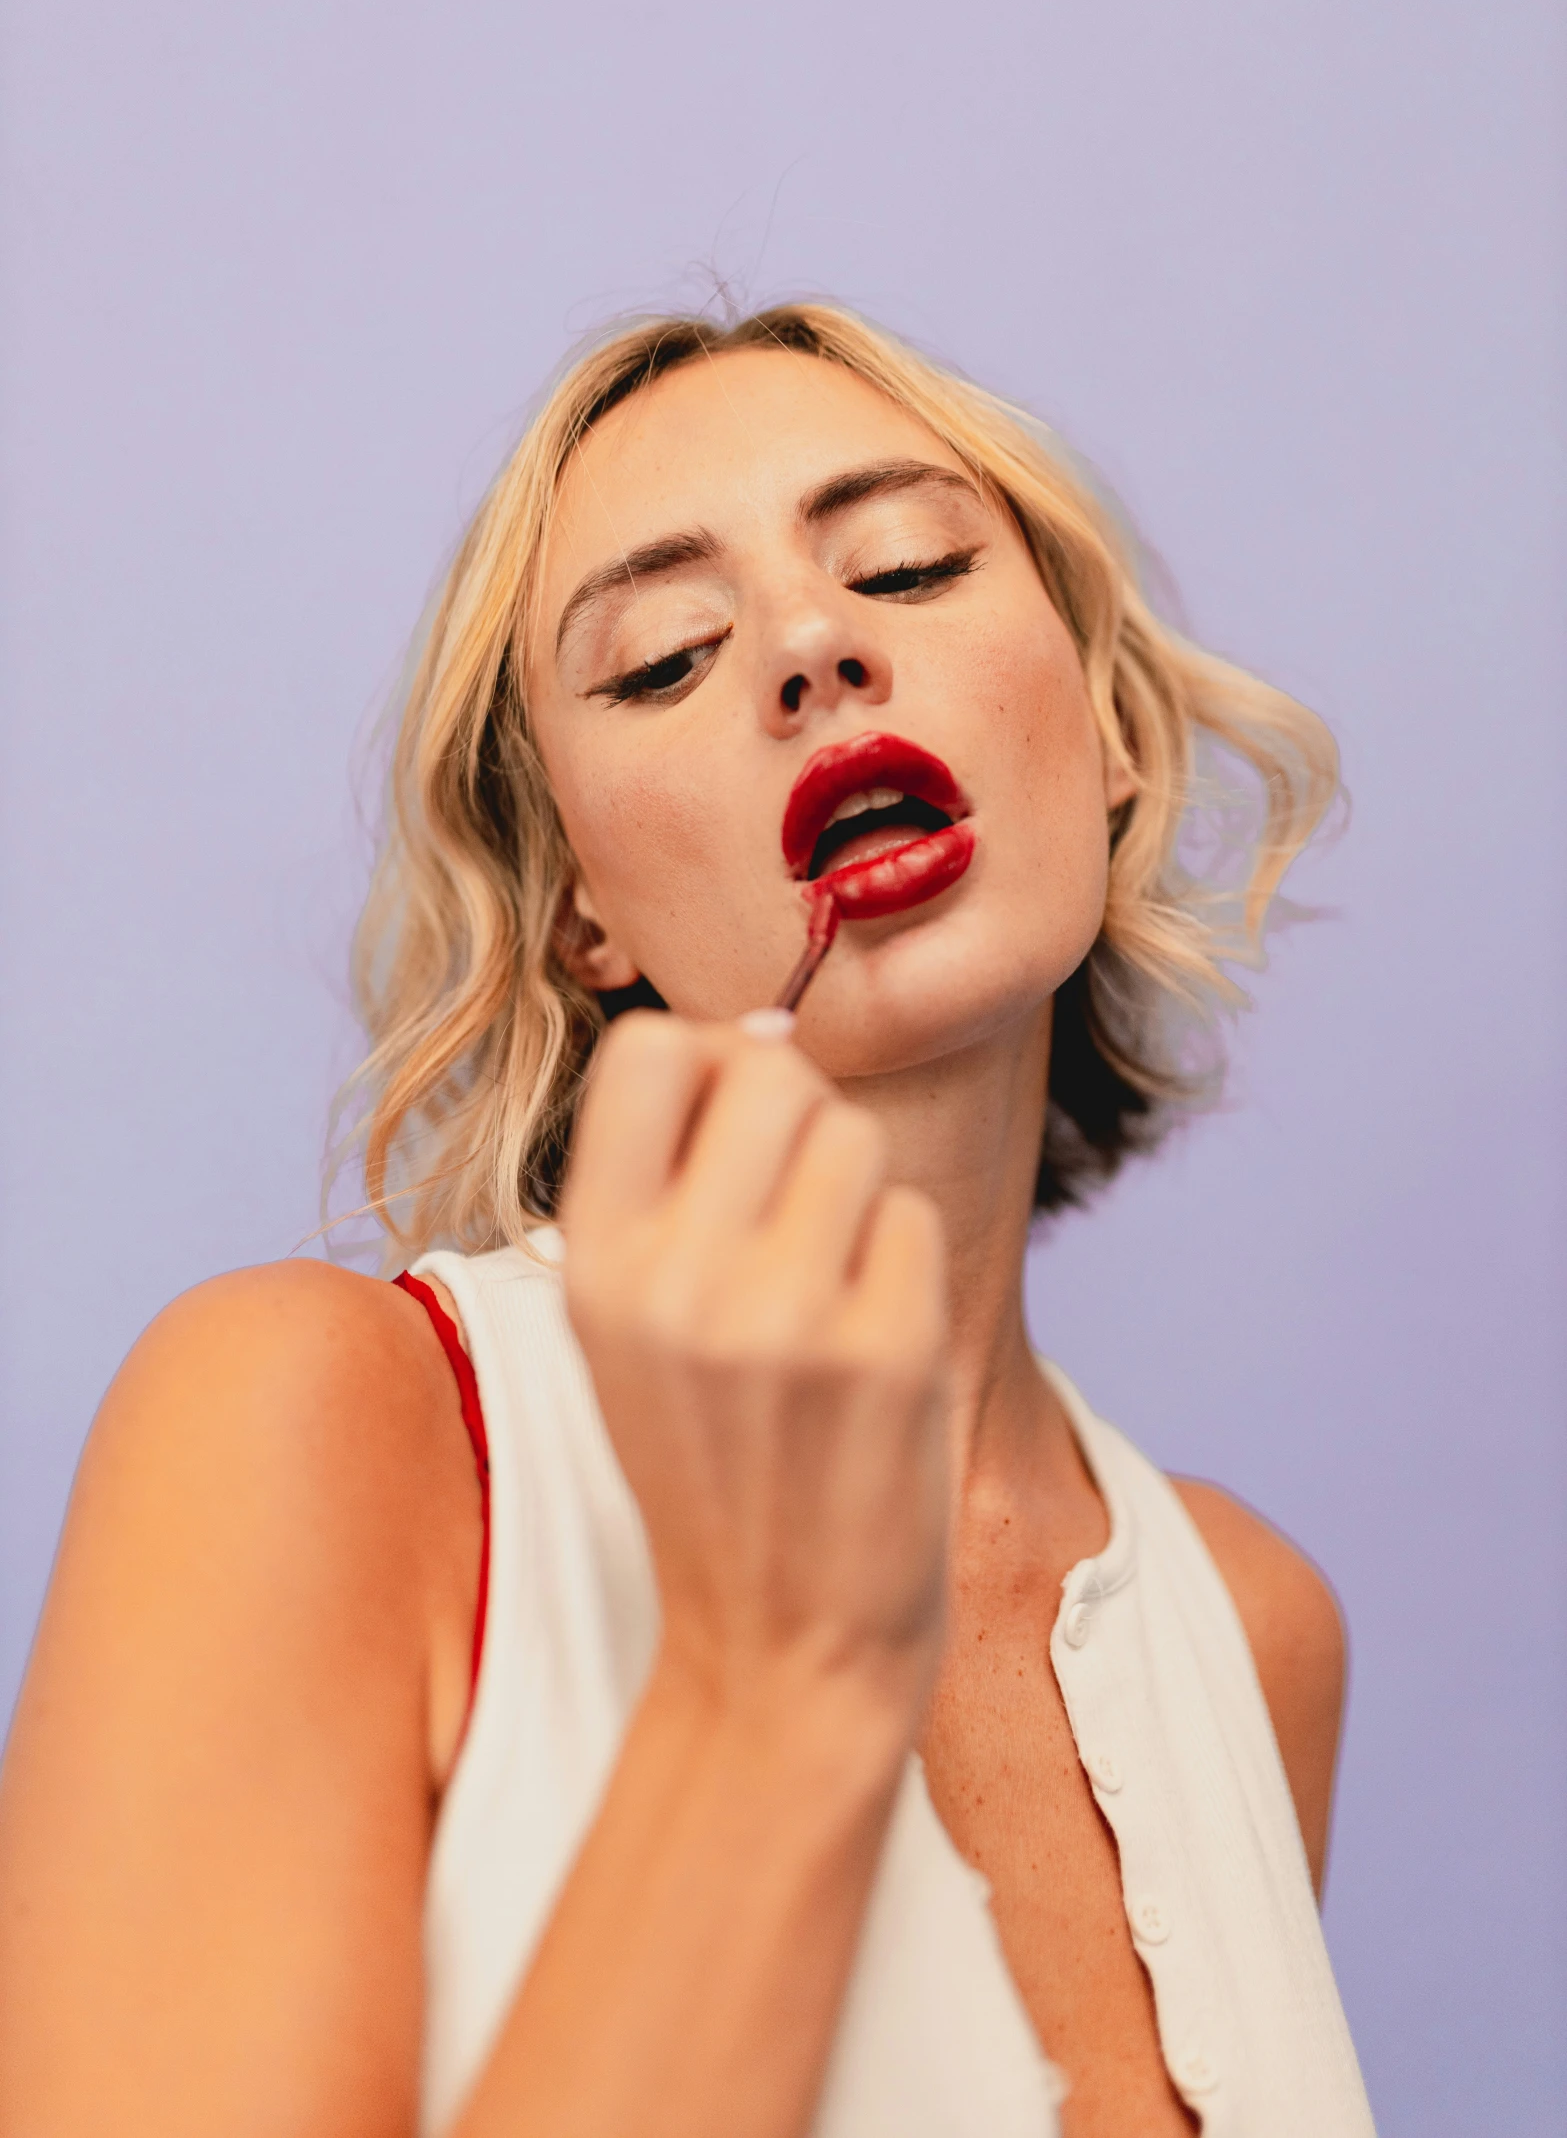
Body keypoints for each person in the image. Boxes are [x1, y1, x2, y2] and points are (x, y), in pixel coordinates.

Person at [0, 304, 1376, 2137]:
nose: (812, 645)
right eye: (661, 661)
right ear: (590, 922)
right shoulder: (311, 1425)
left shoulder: (1253, 1628)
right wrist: (768, 1681)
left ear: (1110, 732)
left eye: (903, 561)